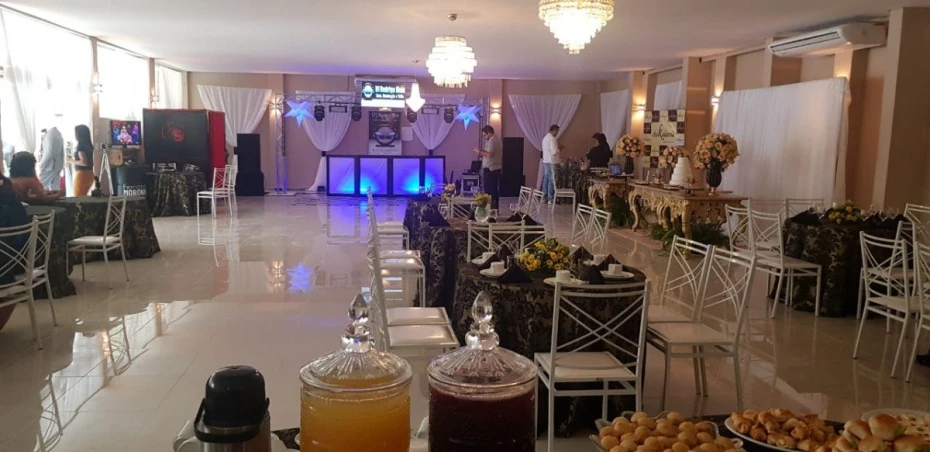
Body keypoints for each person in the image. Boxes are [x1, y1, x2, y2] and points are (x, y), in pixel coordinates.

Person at [473, 125, 502, 209]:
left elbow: (489, 155)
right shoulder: (497, 139)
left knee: (490, 191)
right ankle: (494, 209)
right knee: (493, 190)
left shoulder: (492, 140)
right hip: (494, 168)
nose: (485, 137)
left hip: (491, 169)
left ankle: (491, 209)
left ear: (489, 133)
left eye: (485, 135)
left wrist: (479, 152)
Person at [68, 124, 95, 196]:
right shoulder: (89, 146)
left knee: (78, 197)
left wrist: (70, 160)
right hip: (90, 174)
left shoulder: (80, 147)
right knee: (84, 196)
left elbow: (84, 162)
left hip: (82, 175)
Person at [38, 127, 64, 191]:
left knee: (41, 186)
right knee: (55, 187)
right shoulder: (58, 134)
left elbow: (49, 153)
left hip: (50, 165)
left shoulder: (49, 135)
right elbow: (62, 152)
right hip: (58, 164)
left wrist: (41, 164)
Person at [541, 124, 563, 204]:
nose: (557, 133)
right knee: (552, 180)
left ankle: (544, 197)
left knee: (546, 179)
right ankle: (550, 198)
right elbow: (554, 152)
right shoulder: (553, 139)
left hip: (546, 161)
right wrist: (559, 148)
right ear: (554, 130)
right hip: (552, 162)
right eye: (557, 131)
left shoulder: (545, 138)